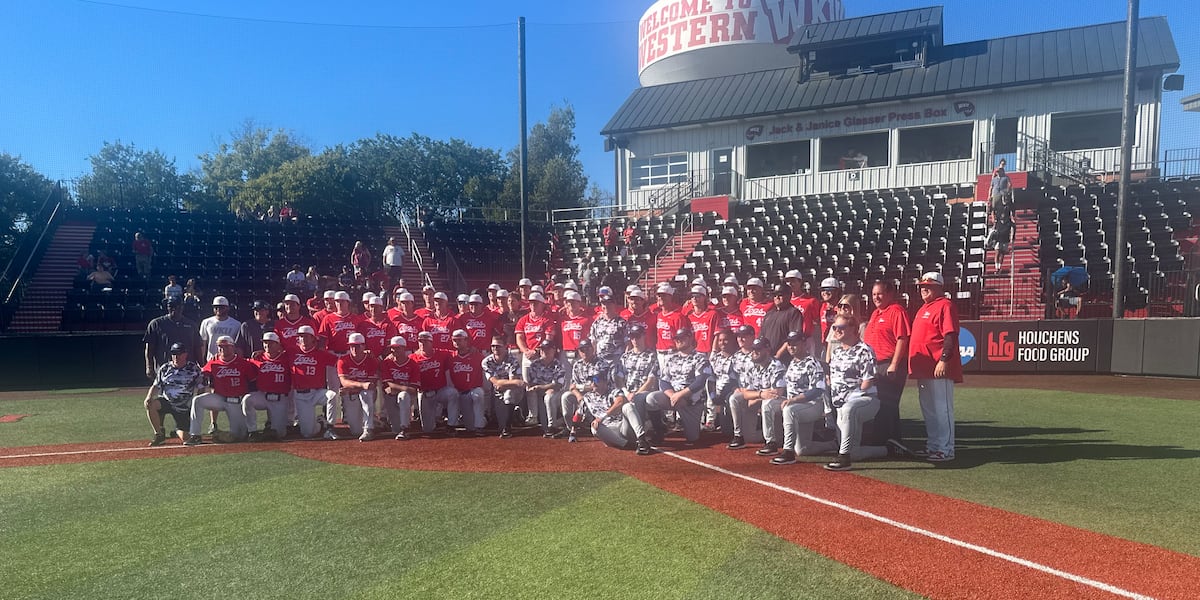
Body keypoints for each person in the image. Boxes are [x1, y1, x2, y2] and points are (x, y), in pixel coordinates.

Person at [908, 272, 963, 462]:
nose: (924, 289)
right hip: (923, 367)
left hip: (938, 365)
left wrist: (944, 359)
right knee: (929, 409)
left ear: (939, 287)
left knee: (942, 408)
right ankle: (933, 446)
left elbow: (950, 335)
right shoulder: (924, 308)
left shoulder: (945, 305)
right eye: (922, 286)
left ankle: (946, 449)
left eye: (928, 286)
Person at [824, 316, 889, 471]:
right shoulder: (837, 351)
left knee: (848, 411)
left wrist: (849, 396)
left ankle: (844, 458)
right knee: (855, 452)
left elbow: (867, 382)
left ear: (854, 328)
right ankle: (886, 449)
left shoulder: (864, 350)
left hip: (864, 400)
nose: (837, 330)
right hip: (841, 404)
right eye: (835, 327)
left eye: (841, 327)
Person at [771, 331, 837, 464]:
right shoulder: (792, 363)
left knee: (789, 410)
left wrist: (794, 400)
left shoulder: (812, 363)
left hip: (812, 406)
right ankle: (832, 445)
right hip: (797, 406)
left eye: (795, 344)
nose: (791, 347)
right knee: (802, 449)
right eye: (789, 344)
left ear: (804, 344)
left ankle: (788, 451)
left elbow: (818, 390)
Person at [862, 281, 912, 451]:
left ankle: (887, 441)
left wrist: (894, 364)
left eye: (880, 293)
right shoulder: (876, 313)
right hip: (876, 364)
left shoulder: (896, 311)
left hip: (889, 364)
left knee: (887, 403)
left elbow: (902, 338)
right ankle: (887, 440)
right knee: (882, 403)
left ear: (890, 294)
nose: (876, 297)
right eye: (874, 294)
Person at [646, 328, 712, 445]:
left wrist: (680, 395)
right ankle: (659, 430)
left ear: (690, 338)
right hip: (672, 398)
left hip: (691, 401)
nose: (678, 341)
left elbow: (700, 382)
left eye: (682, 338)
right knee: (651, 398)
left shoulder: (700, 357)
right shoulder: (671, 358)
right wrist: (672, 395)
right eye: (676, 338)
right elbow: (663, 381)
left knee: (692, 438)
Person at [185, 336, 255, 445]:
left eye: (226, 346)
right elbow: (202, 375)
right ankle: (195, 435)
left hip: (235, 401)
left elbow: (253, 381)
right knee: (198, 400)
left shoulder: (243, 363)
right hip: (219, 398)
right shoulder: (214, 362)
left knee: (240, 435)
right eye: (220, 347)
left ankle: (244, 430)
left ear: (233, 347)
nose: (222, 349)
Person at [728, 337, 786, 453]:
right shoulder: (752, 366)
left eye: (758, 349)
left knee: (767, 403)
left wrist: (756, 396)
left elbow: (778, 393)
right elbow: (745, 393)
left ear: (767, 350)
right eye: (753, 349)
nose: (754, 352)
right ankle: (738, 435)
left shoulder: (777, 366)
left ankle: (771, 442)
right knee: (734, 398)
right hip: (760, 399)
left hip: (780, 402)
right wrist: (760, 394)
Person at [143, 342, 202, 446]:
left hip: (183, 406)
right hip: (166, 401)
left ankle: (177, 430)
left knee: (186, 439)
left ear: (185, 354)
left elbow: (202, 387)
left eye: (179, 353)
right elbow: (156, 385)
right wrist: (149, 397)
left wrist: (195, 402)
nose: (176, 356)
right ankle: (159, 435)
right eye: (174, 353)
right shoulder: (165, 368)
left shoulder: (193, 369)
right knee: (150, 404)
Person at [581, 371, 653, 455]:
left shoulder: (613, 391)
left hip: (623, 427)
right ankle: (628, 445)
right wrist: (572, 432)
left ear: (605, 381)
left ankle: (642, 440)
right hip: (608, 431)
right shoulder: (587, 397)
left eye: (596, 380)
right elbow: (578, 413)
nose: (593, 383)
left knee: (628, 406)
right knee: (594, 427)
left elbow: (620, 401)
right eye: (592, 381)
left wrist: (603, 416)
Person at [289, 325, 339, 439]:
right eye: (301, 336)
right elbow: (275, 355)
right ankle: (320, 423)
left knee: (332, 395)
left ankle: (330, 427)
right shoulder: (291, 351)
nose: (303, 339)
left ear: (313, 338)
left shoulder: (321, 353)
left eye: (306, 336)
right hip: (301, 395)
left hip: (317, 392)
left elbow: (340, 362)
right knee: (308, 433)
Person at [243, 332, 291, 441]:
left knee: (280, 433)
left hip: (280, 398)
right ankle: (252, 431)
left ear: (278, 345)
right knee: (247, 399)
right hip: (263, 396)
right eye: (265, 343)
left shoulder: (286, 358)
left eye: (271, 343)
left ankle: (271, 426)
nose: (267, 346)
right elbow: (241, 362)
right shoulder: (258, 357)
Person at [143, 297, 202, 382]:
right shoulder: (156, 324)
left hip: (187, 370)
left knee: (186, 393)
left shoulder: (191, 325)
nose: (174, 309)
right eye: (171, 306)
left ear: (182, 307)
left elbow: (197, 348)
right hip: (165, 370)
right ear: (167, 307)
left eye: (178, 306)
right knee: (164, 394)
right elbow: (149, 349)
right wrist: (149, 367)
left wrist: (202, 366)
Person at [411, 331, 458, 436]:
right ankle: (433, 419)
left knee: (453, 393)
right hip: (425, 393)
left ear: (431, 342)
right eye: (420, 342)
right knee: (428, 429)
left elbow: (457, 352)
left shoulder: (441, 353)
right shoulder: (413, 358)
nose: (422, 344)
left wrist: (471, 349)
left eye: (425, 342)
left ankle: (451, 425)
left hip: (440, 391)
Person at [336, 332, 378, 442]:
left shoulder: (371, 360)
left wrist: (353, 387)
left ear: (364, 346)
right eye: (351, 346)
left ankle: (369, 428)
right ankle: (373, 421)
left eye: (357, 346)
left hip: (362, 393)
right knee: (356, 431)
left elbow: (371, 385)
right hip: (351, 395)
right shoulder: (343, 360)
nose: (354, 349)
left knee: (366, 394)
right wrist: (362, 385)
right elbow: (344, 382)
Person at [447, 329, 487, 436]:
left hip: (473, 390)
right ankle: (453, 424)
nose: (457, 342)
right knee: (469, 426)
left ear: (466, 340)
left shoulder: (477, 355)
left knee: (478, 394)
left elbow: (486, 369)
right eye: (455, 340)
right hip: (459, 392)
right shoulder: (450, 356)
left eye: (460, 340)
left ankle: (480, 426)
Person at [483, 336, 524, 438]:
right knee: (499, 423)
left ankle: (508, 428)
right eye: (493, 346)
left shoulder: (513, 360)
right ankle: (514, 413)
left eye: (498, 346)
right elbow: (495, 382)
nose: (495, 349)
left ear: (505, 346)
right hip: (498, 390)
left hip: (514, 391)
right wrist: (507, 382)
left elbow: (512, 383)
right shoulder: (486, 361)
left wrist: (504, 383)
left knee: (509, 395)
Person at [379, 336, 419, 440]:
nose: (394, 350)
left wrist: (397, 388)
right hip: (391, 398)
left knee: (404, 395)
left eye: (397, 348)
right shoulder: (386, 363)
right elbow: (388, 383)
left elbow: (413, 390)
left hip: (405, 397)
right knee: (395, 429)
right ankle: (400, 427)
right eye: (392, 348)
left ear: (404, 348)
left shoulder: (413, 364)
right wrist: (404, 387)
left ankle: (405, 428)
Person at [525, 343, 567, 438]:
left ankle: (552, 426)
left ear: (554, 350)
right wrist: (544, 388)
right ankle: (533, 417)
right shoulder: (534, 364)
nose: (545, 351)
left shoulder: (559, 365)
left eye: (548, 349)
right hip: (539, 391)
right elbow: (532, 383)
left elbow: (558, 384)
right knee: (530, 391)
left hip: (556, 393)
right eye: (543, 349)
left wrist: (543, 388)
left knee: (549, 396)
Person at [759, 284, 805, 361]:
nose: (777, 297)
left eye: (780, 295)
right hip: (767, 358)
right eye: (774, 295)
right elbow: (762, 336)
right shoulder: (769, 314)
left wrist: (779, 354)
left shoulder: (793, 313)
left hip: (785, 359)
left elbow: (793, 338)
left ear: (789, 296)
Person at [705, 328, 738, 433]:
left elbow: (734, 380)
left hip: (731, 391)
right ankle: (710, 421)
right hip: (717, 392)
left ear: (732, 340)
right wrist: (713, 396)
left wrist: (722, 395)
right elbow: (711, 379)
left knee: (728, 430)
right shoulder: (716, 358)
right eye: (720, 340)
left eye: (725, 340)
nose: (722, 343)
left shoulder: (738, 357)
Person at [588, 292, 628, 364]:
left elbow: (628, 344)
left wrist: (625, 360)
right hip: (600, 360)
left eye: (609, 303)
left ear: (614, 305)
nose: (606, 306)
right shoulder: (597, 322)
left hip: (617, 360)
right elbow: (593, 342)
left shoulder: (622, 323)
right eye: (604, 304)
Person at [988, 167, 1015, 271]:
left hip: (1005, 234)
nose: (998, 173)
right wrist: (989, 196)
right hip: (1000, 234)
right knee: (997, 251)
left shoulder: (1005, 178)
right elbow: (993, 212)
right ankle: (997, 266)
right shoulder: (994, 179)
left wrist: (1007, 191)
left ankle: (999, 266)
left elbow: (1010, 184)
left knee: (1002, 252)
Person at [686, 286, 720, 354]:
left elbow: (717, 334)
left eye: (697, 296)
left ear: (704, 297)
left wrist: (714, 351)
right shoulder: (688, 316)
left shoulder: (712, 314)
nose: (694, 298)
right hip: (693, 352)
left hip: (708, 352)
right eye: (692, 296)